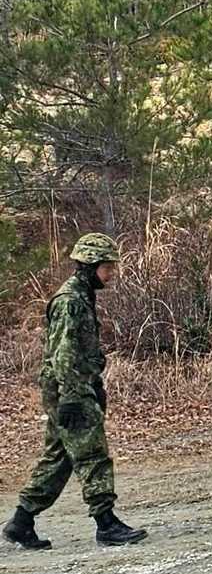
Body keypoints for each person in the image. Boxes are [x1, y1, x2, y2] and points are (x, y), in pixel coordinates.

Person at [3, 233, 147, 550]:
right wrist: (71, 397)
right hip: (71, 388)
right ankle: (106, 524)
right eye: (107, 267)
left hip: (72, 386)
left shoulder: (81, 295)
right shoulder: (70, 301)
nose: (111, 273)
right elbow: (64, 353)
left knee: (59, 457)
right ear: (91, 266)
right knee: (92, 453)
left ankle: (20, 523)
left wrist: (92, 385)